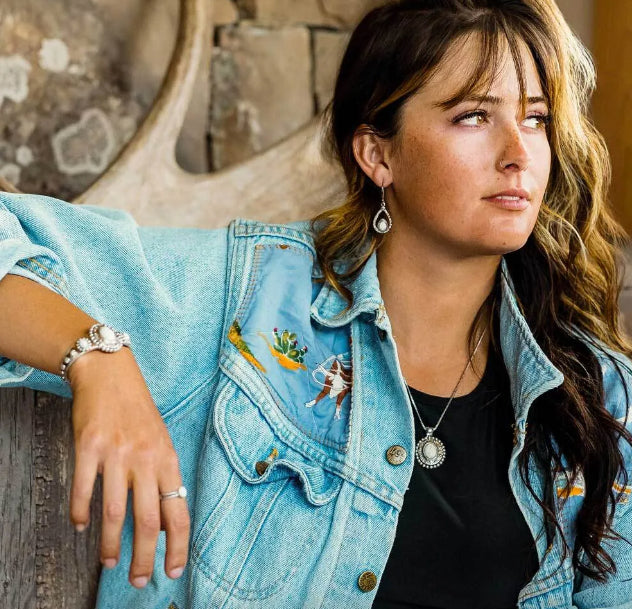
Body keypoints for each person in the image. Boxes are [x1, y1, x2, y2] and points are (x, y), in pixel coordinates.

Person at [1, 0, 631, 607]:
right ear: (378, 154)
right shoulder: (250, 296)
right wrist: (97, 357)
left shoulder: (599, 398)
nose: (518, 154)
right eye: (473, 116)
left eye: (536, 118)